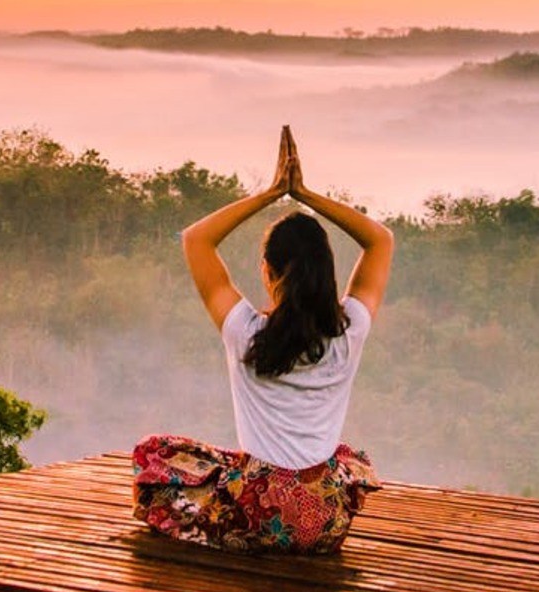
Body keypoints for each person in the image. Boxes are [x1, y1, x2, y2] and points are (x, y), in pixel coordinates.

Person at [132, 125, 395, 554]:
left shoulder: (245, 332)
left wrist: (273, 193)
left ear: (267, 271)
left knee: (153, 454)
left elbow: (197, 238)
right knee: (344, 458)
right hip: (323, 523)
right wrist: (305, 194)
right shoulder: (350, 330)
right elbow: (380, 240)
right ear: (327, 274)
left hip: (255, 515)